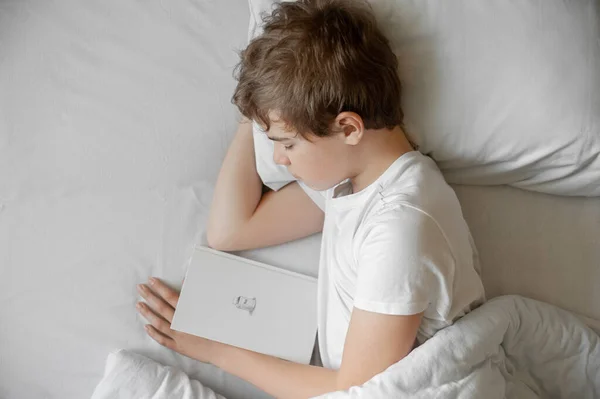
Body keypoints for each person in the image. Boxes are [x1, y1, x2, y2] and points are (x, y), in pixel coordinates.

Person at [136, 0, 485, 397]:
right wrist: (262, 104)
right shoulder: (349, 184)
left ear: (349, 128)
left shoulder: (401, 227)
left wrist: (216, 350)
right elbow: (230, 230)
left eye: (287, 144)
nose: (279, 160)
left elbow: (355, 392)